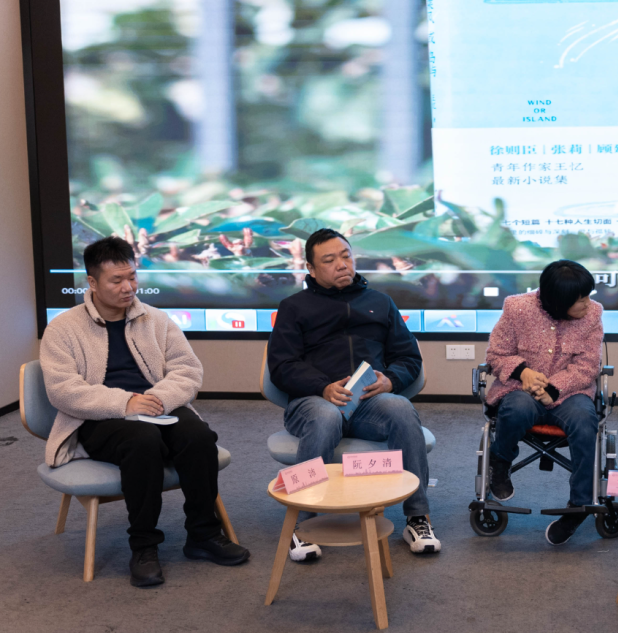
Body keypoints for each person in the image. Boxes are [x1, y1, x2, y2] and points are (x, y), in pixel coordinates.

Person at [39, 237, 250, 587]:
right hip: (100, 417)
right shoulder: (63, 328)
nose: (128, 287)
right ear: (92, 282)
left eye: (132, 277)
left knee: (198, 436)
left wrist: (158, 399)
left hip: (157, 405)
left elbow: (187, 370)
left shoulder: (155, 319)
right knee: (142, 440)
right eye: (116, 280)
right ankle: (144, 546)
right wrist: (124, 404)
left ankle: (203, 534)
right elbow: (62, 389)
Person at [267, 228, 439, 559]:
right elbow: (282, 365)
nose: (342, 264)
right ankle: (301, 525)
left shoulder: (381, 303)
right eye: (329, 260)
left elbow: (408, 357)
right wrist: (321, 386)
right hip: (313, 401)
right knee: (326, 415)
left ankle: (418, 517)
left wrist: (390, 380)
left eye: (346, 256)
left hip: (368, 403)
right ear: (311, 268)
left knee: (401, 409)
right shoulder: (293, 307)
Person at [484, 260, 604, 545]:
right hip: (520, 390)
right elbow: (496, 355)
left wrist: (554, 388)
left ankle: (579, 505)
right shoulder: (517, 308)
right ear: (559, 301)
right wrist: (523, 372)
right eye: (581, 299)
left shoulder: (593, 314)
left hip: (571, 394)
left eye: (588, 296)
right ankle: (500, 462)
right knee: (516, 408)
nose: (588, 304)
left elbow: (588, 366)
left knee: (585, 422)